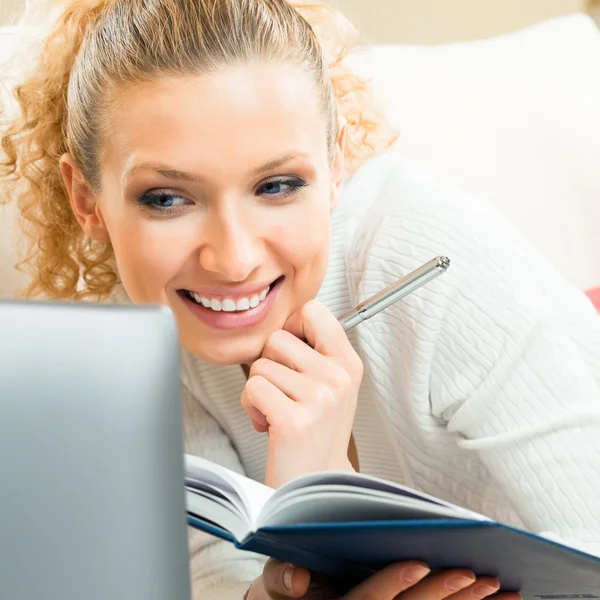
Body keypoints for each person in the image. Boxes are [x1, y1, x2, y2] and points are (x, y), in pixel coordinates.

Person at [1, 0, 599, 598]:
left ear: (335, 164)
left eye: (277, 186)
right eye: (166, 199)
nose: (232, 260)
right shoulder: (139, 331)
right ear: (86, 199)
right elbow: (213, 579)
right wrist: (298, 554)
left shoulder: (436, 264)